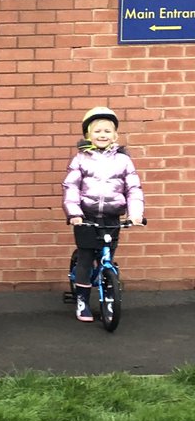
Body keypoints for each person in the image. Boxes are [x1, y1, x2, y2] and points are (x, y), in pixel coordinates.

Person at [62, 106, 145, 322]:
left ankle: (107, 287)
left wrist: (135, 214)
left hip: (111, 217)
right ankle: (82, 300)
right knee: (86, 258)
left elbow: (133, 189)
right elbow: (71, 187)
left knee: (108, 254)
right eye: (97, 131)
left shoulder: (123, 160)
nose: (102, 135)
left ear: (115, 135)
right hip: (86, 217)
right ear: (88, 135)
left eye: (107, 131)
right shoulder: (81, 159)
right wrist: (74, 213)